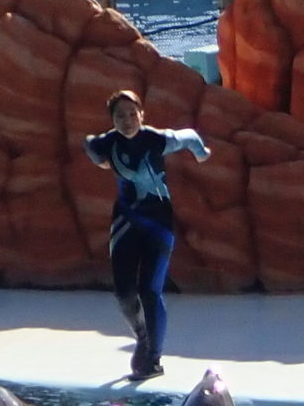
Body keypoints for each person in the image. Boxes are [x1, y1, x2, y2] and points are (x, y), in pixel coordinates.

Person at [83, 90, 210, 381]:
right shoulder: (106, 143)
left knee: (150, 292)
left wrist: (202, 153)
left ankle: (153, 359)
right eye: (119, 116)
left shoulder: (155, 138)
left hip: (159, 224)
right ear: (111, 120)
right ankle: (142, 335)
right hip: (125, 224)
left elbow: (189, 135)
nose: (127, 120)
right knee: (124, 293)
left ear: (142, 114)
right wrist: (99, 160)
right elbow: (90, 145)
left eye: (132, 114)